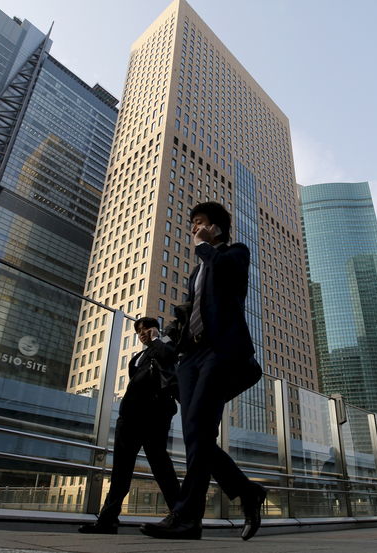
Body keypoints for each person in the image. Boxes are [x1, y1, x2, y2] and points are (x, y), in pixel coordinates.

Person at [140, 202, 266, 541]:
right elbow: (188, 314)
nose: (193, 228)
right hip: (191, 357)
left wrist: (206, 248)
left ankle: (186, 517)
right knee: (196, 435)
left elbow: (230, 274)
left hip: (219, 351)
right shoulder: (196, 273)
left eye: (199, 222)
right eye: (192, 224)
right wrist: (163, 343)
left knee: (198, 430)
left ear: (216, 227)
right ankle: (243, 491)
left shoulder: (233, 253)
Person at [78, 317, 180, 534]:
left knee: (161, 466)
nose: (142, 333)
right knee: (120, 470)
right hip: (129, 418)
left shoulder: (164, 346)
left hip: (155, 417)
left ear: (156, 330)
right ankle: (107, 520)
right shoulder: (138, 357)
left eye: (146, 329)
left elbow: (168, 357)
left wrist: (156, 339)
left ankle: (180, 515)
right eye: (139, 331)